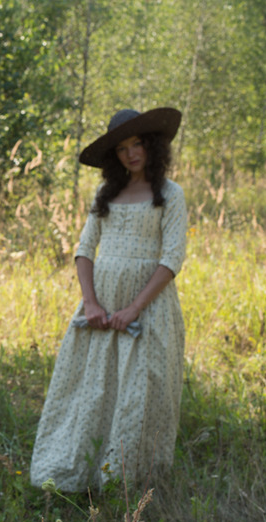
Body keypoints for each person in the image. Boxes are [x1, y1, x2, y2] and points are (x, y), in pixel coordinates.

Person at [30, 107, 187, 493]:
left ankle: (125, 480)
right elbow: (84, 250)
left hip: (148, 307)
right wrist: (91, 303)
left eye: (137, 144)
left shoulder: (170, 194)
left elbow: (171, 259)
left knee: (140, 390)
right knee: (92, 387)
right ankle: (78, 471)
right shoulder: (107, 194)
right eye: (121, 148)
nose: (131, 153)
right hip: (100, 304)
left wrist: (134, 309)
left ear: (152, 146)